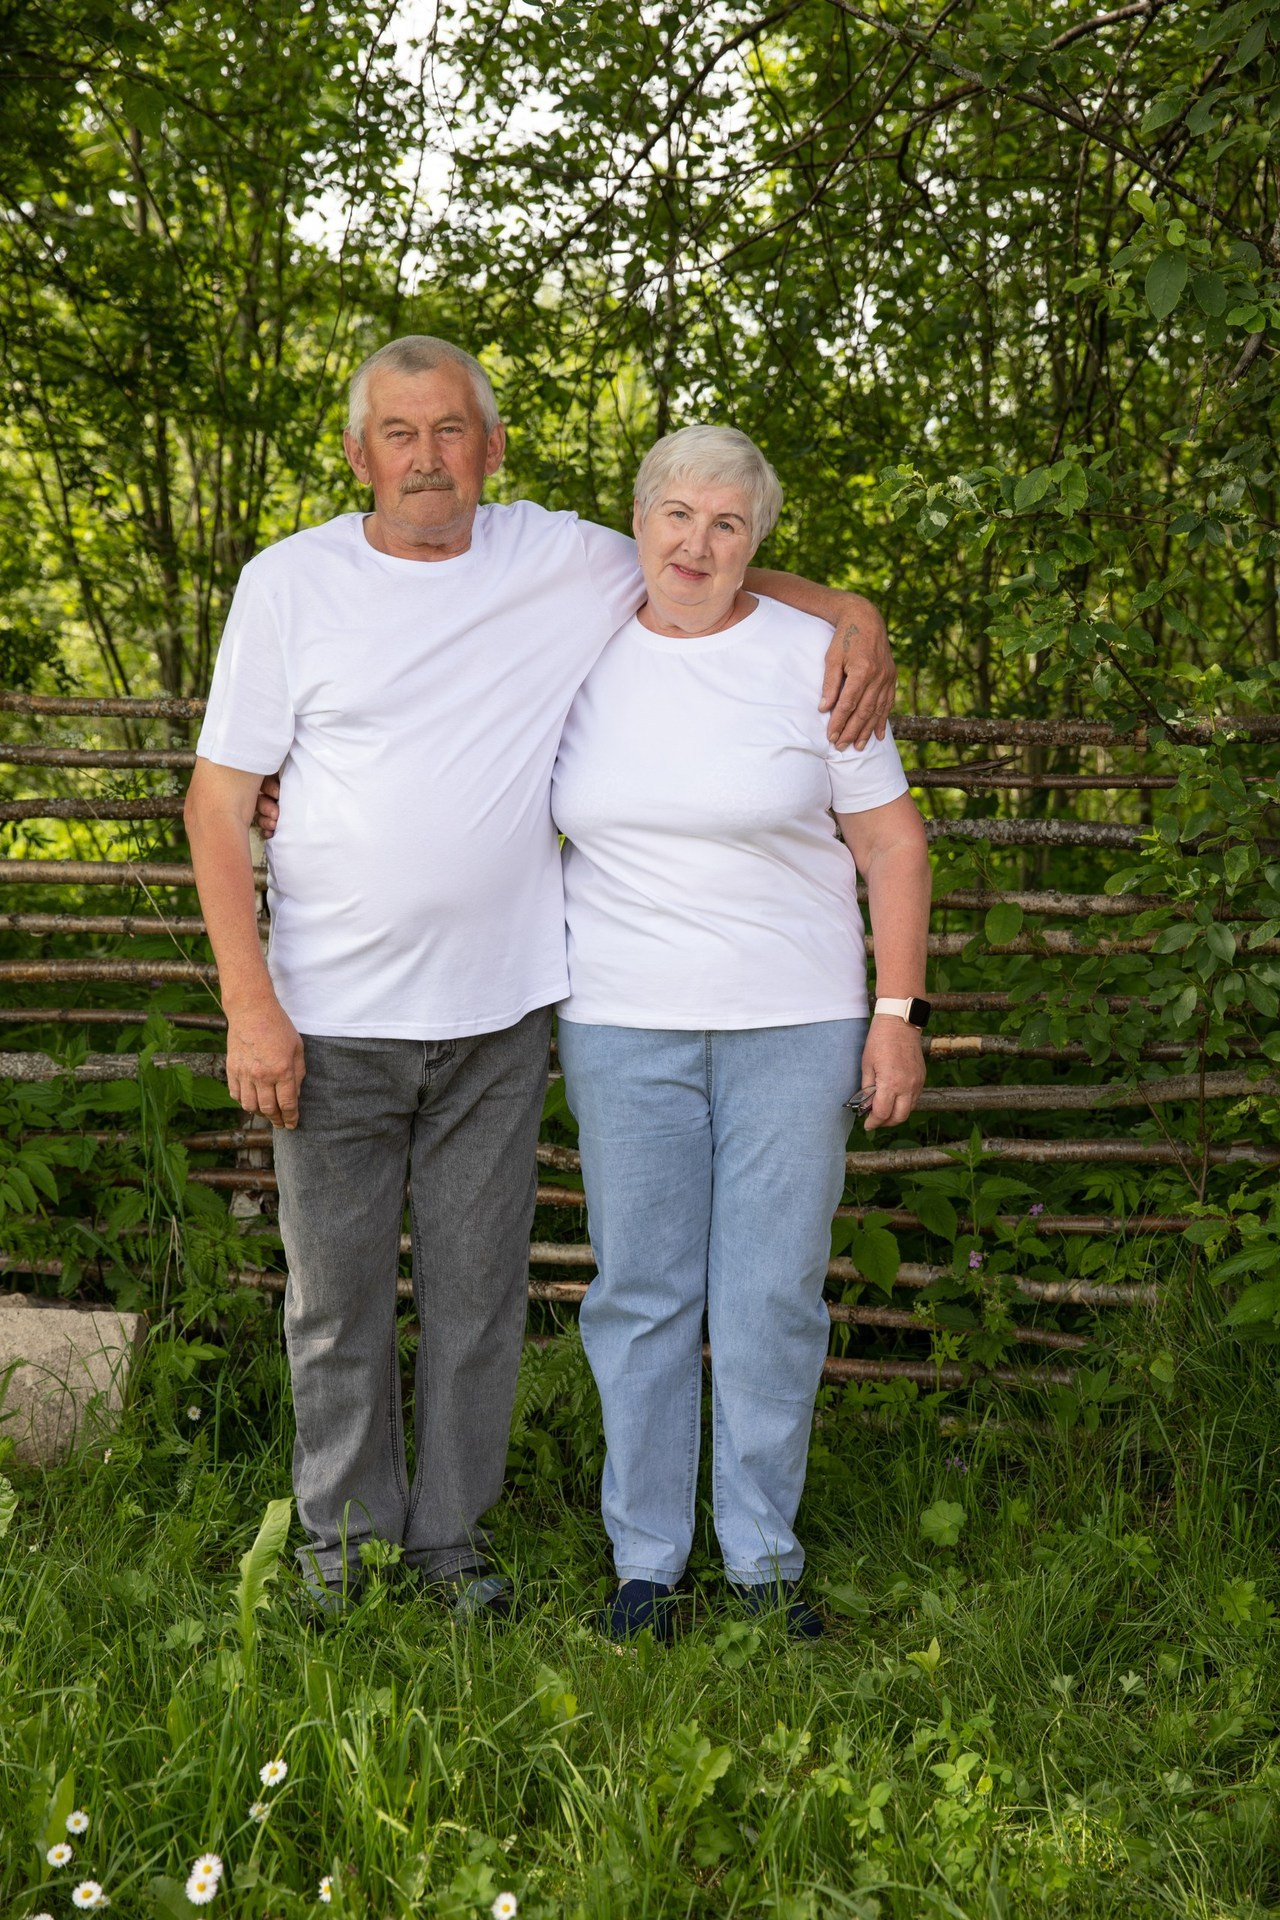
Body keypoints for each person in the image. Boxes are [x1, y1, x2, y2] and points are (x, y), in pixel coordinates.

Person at [184, 335, 897, 1619]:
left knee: (477, 1303)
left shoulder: (558, 558)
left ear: (491, 448)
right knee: (336, 1309)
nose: (426, 457)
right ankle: (342, 1562)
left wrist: (855, 611)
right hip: (330, 1013)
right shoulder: (288, 586)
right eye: (398, 433)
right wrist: (251, 1004)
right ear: (358, 454)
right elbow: (217, 801)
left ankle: (450, 1547)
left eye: (450, 429)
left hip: (500, 1014)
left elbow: (708, 567)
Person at [552, 425, 931, 1642]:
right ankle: (646, 1565)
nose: (696, 543)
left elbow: (891, 844)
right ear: (638, 517)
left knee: (769, 1297)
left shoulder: (815, 661)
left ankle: (763, 1558)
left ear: (756, 540)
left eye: (726, 523)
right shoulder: (573, 642)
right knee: (641, 1293)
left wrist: (895, 1016)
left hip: (795, 1021)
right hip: (620, 1022)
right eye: (674, 514)